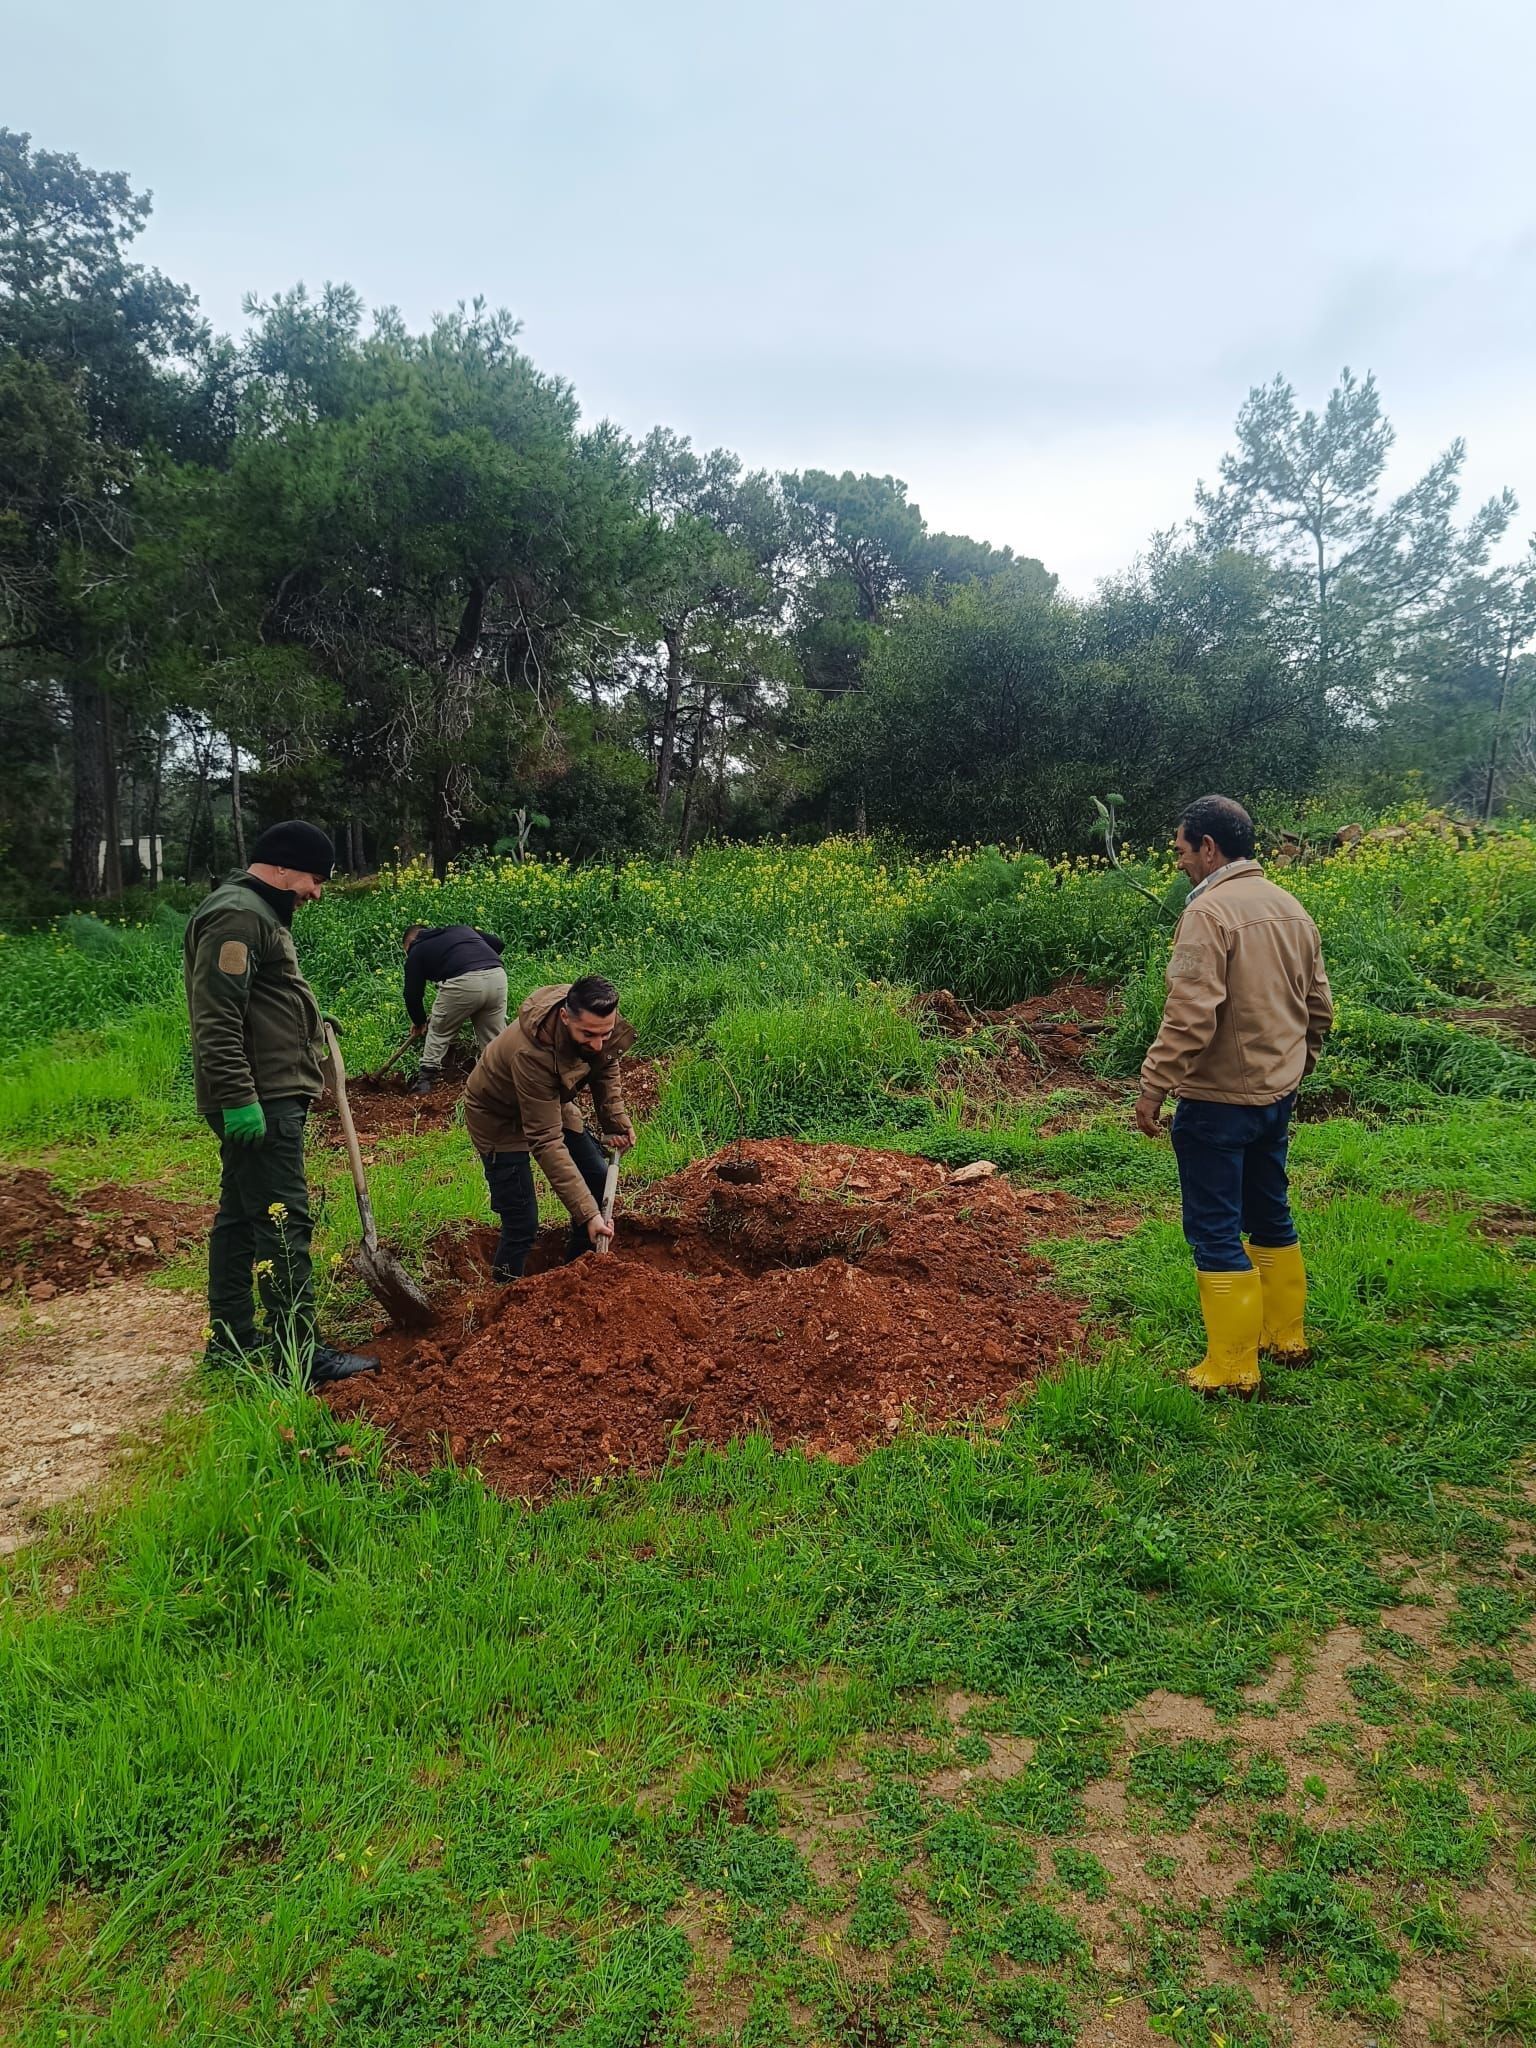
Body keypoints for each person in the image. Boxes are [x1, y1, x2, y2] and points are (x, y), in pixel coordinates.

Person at [1135, 795, 1333, 1395]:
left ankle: (1231, 1367)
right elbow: (1319, 1008)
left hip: (1218, 1102)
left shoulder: (1209, 914)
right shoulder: (1290, 907)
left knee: (1215, 1228)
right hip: (1276, 1097)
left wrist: (1153, 1087)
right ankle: (1286, 1337)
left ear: (1209, 847)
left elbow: (1190, 1016)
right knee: (1271, 1213)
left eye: (1181, 850)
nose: (1178, 863)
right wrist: (1295, 1068)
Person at [183, 820, 379, 1385]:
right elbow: (216, 1019)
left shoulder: (256, 912)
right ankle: (301, 1354)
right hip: (260, 1100)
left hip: (266, 1090)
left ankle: (230, 1341)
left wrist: (311, 1024)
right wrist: (240, 1097)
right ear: (284, 866)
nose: (316, 892)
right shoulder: (238, 915)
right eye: (315, 879)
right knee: (282, 1219)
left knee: (242, 1216)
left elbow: (262, 1001)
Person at [463, 975, 637, 1280]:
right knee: (522, 1221)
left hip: (550, 1101)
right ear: (564, 1016)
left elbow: (606, 1062)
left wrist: (614, 1123)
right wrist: (588, 1215)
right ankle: (506, 1295)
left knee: (596, 1184)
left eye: (605, 1034)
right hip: (499, 1117)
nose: (597, 1044)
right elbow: (545, 1140)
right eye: (588, 1035)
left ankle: (572, 1279)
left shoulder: (596, 1017)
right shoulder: (531, 1052)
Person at [401, 922, 509, 1094]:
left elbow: (412, 994)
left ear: (410, 942)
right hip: (497, 976)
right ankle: (504, 1079)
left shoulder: (417, 948)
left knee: (439, 1030)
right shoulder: (461, 930)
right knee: (493, 1036)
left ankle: (424, 1083)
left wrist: (420, 1022)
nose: (407, 954)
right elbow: (498, 944)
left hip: (463, 982)